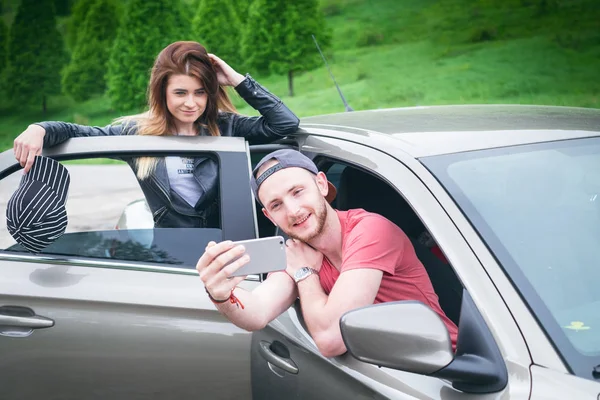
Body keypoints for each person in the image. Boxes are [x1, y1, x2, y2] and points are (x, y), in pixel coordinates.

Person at [196, 149, 458, 357]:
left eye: (298, 192)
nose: (293, 211)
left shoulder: (370, 230)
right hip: (385, 370)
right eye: (277, 205)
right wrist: (220, 293)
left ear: (321, 184)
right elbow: (257, 312)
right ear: (268, 215)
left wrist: (305, 274)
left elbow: (331, 340)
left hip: (445, 366)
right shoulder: (297, 250)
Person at [12, 41, 299, 228]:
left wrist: (237, 80)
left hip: (233, 256)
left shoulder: (226, 126)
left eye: (200, 92)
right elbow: (79, 133)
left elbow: (285, 124)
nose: (191, 103)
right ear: (162, 92)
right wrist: (40, 128)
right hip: (172, 259)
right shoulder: (136, 134)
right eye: (180, 93)